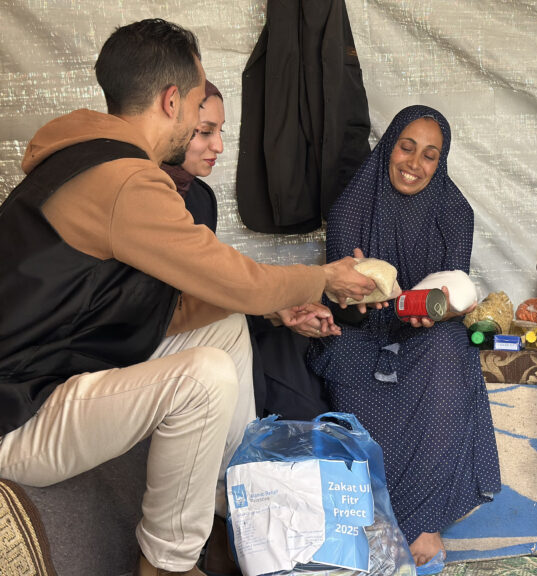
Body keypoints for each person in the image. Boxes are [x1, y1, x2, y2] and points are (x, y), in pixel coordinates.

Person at [0, 19, 374, 576]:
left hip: (53, 374)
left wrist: (270, 304)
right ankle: (167, 565)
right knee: (205, 378)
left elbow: (165, 304)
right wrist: (322, 279)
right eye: (200, 105)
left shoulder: (89, 159)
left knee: (225, 325)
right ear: (172, 100)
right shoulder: (124, 181)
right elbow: (232, 276)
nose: (206, 126)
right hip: (18, 415)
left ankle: (234, 501)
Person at [308, 105, 501, 570]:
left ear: (442, 162)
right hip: (358, 331)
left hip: (422, 333)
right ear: (389, 146)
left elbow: (453, 283)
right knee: (347, 362)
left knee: (451, 350)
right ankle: (380, 519)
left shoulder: (454, 212)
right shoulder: (352, 204)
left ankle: (426, 524)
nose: (415, 164)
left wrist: (443, 311)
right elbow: (338, 304)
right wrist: (356, 295)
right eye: (407, 148)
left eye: (430, 155)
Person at [161, 80, 337, 425]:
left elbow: (210, 280)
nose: (220, 146)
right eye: (205, 131)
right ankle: (242, 450)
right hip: (156, 336)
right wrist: (274, 300)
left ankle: (283, 443)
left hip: (200, 318)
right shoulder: (141, 194)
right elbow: (183, 298)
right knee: (235, 327)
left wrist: (276, 307)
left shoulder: (198, 197)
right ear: (172, 122)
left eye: (220, 131)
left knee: (287, 345)